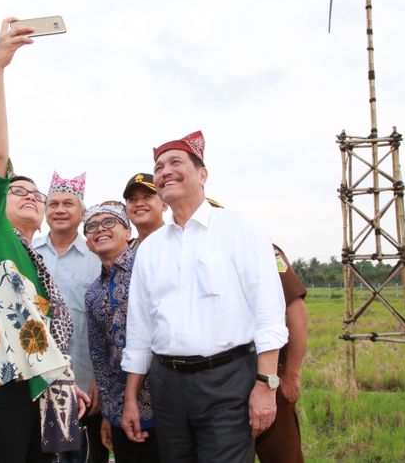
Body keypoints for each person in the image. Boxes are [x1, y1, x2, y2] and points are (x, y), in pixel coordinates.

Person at [0, 17, 88, 463]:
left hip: (34, 396)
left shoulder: (36, 263)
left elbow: (38, 340)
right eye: (17, 189)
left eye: (35, 193)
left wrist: (63, 380)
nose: (29, 196)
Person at [121, 130, 288, 462]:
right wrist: (130, 398)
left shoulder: (239, 228)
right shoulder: (151, 247)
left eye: (175, 162)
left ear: (202, 174)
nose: (165, 171)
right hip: (167, 385)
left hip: (227, 381)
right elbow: (139, 328)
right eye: (159, 166)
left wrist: (266, 386)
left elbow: (269, 311)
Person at [33, 172, 105, 463]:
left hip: (84, 384)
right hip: (34, 383)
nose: (60, 210)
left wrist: (101, 379)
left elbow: (105, 323)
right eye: (53, 204)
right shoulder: (27, 251)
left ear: (82, 213)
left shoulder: (97, 255)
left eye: (68, 204)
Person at [83, 202, 159, 463]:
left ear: (128, 232)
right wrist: (108, 412)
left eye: (108, 222)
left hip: (164, 403)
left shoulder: (150, 269)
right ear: (88, 243)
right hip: (120, 413)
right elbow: (101, 359)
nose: (99, 229)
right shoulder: (93, 293)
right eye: (91, 226)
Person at [256, 245, 308, 463]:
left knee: (282, 455)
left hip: (270, 377)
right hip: (222, 382)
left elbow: (296, 311)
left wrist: (291, 375)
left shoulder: (262, 248)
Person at [121, 173, 167, 251]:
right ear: (126, 211)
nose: (139, 204)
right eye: (132, 199)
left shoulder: (183, 243)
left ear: (164, 204)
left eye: (147, 197)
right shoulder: (126, 255)